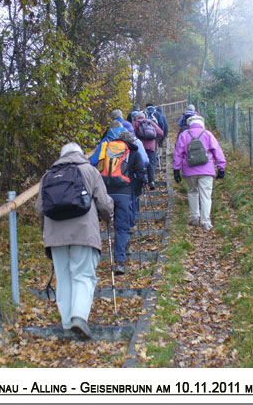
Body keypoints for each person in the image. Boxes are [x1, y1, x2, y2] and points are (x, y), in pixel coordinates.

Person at [35, 142, 114, 340]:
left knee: (64, 278)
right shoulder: (89, 170)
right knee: (83, 275)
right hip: (84, 233)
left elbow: (39, 209)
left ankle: (67, 324)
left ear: (62, 155)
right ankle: (79, 316)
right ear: (79, 154)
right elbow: (103, 204)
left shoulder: (47, 176)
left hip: (56, 237)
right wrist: (108, 215)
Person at [89, 123, 145, 274]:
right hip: (124, 194)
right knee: (121, 227)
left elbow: (97, 166)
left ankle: (91, 261)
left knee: (105, 225)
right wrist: (136, 191)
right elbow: (140, 174)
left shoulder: (107, 149)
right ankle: (120, 262)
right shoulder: (133, 152)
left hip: (105, 192)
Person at [173, 115, 226, 231]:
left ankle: (195, 218)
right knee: (206, 196)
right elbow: (217, 151)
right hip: (206, 170)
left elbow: (178, 153)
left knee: (192, 192)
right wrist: (221, 168)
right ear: (202, 123)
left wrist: (176, 169)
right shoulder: (207, 134)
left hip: (189, 169)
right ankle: (206, 222)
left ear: (189, 124)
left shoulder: (184, 135)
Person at [133, 111, 164, 190]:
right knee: (151, 164)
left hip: (140, 147)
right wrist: (154, 138)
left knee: (140, 164)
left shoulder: (135, 123)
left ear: (137, 117)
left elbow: (132, 134)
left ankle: (142, 182)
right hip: (151, 147)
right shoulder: (150, 122)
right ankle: (152, 181)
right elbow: (161, 133)